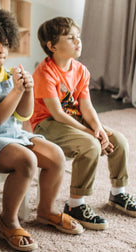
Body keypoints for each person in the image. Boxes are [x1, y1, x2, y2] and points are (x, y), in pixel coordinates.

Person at [0, 9, 85, 251]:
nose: (1, 50)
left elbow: (23, 115)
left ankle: (46, 211)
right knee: (26, 160)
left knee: (56, 155)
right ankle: (7, 221)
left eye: (4, 44)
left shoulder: (7, 74)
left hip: (12, 134)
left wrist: (28, 90)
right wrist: (16, 90)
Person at [31, 17, 136, 231]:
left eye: (77, 36)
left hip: (74, 120)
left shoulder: (81, 70)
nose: (78, 41)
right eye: (70, 38)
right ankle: (75, 205)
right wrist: (91, 134)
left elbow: (87, 108)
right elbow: (58, 114)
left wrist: (99, 130)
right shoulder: (45, 72)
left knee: (119, 141)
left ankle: (118, 194)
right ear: (52, 46)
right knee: (90, 145)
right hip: (47, 124)